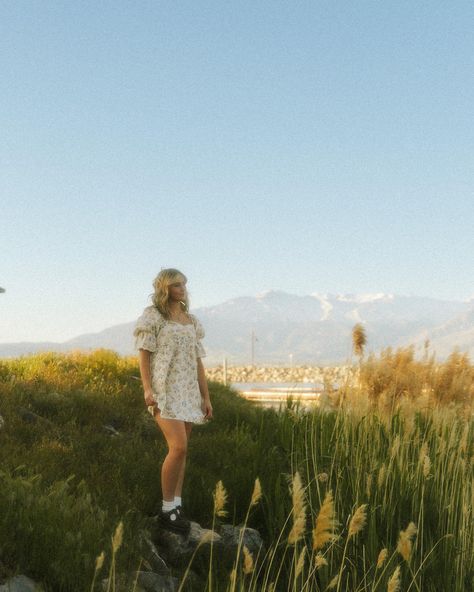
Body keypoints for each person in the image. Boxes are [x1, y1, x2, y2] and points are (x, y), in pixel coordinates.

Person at [134, 268, 213, 534]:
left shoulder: (191, 320)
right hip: (164, 390)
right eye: (177, 284)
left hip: (188, 390)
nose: (183, 288)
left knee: (184, 451)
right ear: (166, 287)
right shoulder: (153, 316)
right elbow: (144, 355)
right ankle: (166, 510)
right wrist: (147, 389)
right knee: (177, 447)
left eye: (184, 284)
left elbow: (198, 361)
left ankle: (176, 508)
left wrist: (206, 396)